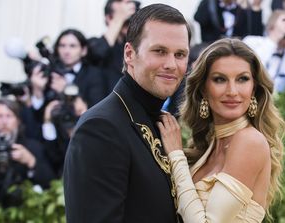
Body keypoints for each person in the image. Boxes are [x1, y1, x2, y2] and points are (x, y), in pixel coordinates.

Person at [63, 4, 191, 223]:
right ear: (130, 54)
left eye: (180, 54)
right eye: (159, 51)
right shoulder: (101, 128)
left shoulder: (160, 121)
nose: (171, 64)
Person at [157, 38, 285, 222]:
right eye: (220, 79)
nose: (232, 91)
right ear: (203, 89)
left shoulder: (250, 141)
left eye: (242, 79)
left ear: (253, 87)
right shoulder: (210, 147)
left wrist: (176, 156)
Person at [0, 98, 54, 205]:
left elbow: (51, 183)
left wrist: (31, 161)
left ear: (18, 120)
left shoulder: (33, 147)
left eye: (9, 116)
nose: (4, 122)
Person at [243, 10, 285, 92]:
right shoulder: (252, 41)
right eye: (284, 20)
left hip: (276, 100)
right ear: (272, 23)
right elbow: (252, 67)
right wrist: (274, 41)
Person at [88, 0, 137, 92]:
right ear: (108, 18)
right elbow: (98, 54)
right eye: (126, 20)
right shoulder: (94, 43)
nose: (129, 23)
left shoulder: (133, 48)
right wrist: (119, 18)